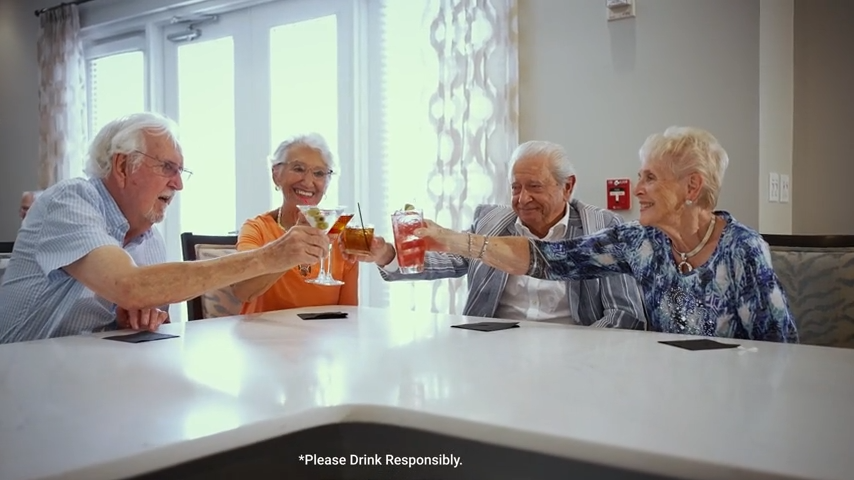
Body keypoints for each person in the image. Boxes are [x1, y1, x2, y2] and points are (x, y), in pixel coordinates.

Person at [410, 127, 798, 343]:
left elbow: (781, 349)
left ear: (691, 187)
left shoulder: (742, 250)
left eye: (650, 178)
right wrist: (455, 240)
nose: (637, 188)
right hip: (666, 388)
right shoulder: (639, 242)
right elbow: (546, 259)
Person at [0, 113, 329, 344]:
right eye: (167, 168)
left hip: (90, 377)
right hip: (20, 378)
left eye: (180, 171)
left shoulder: (151, 240)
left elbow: (148, 314)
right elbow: (129, 286)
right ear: (123, 165)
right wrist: (269, 257)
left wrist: (142, 319)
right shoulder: (70, 200)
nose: (178, 184)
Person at [348, 141, 646, 329]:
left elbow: (624, 314)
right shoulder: (491, 220)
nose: (523, 199)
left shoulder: (602, 227)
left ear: (567, 187)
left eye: (535, 187)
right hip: (493, 350)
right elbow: (449, 259)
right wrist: (388, 255)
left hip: (573, 352)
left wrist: (582, 352)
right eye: (516, 187)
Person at [232, 133, 358, 313]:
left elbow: (349, 313)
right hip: (264, 330)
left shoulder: (340, 235)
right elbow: (243, 291)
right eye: (298, 169)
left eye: (319, 173)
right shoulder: (257, 228)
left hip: (324, 331)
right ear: (276, 174)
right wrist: (290, 252)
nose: (308, 182)